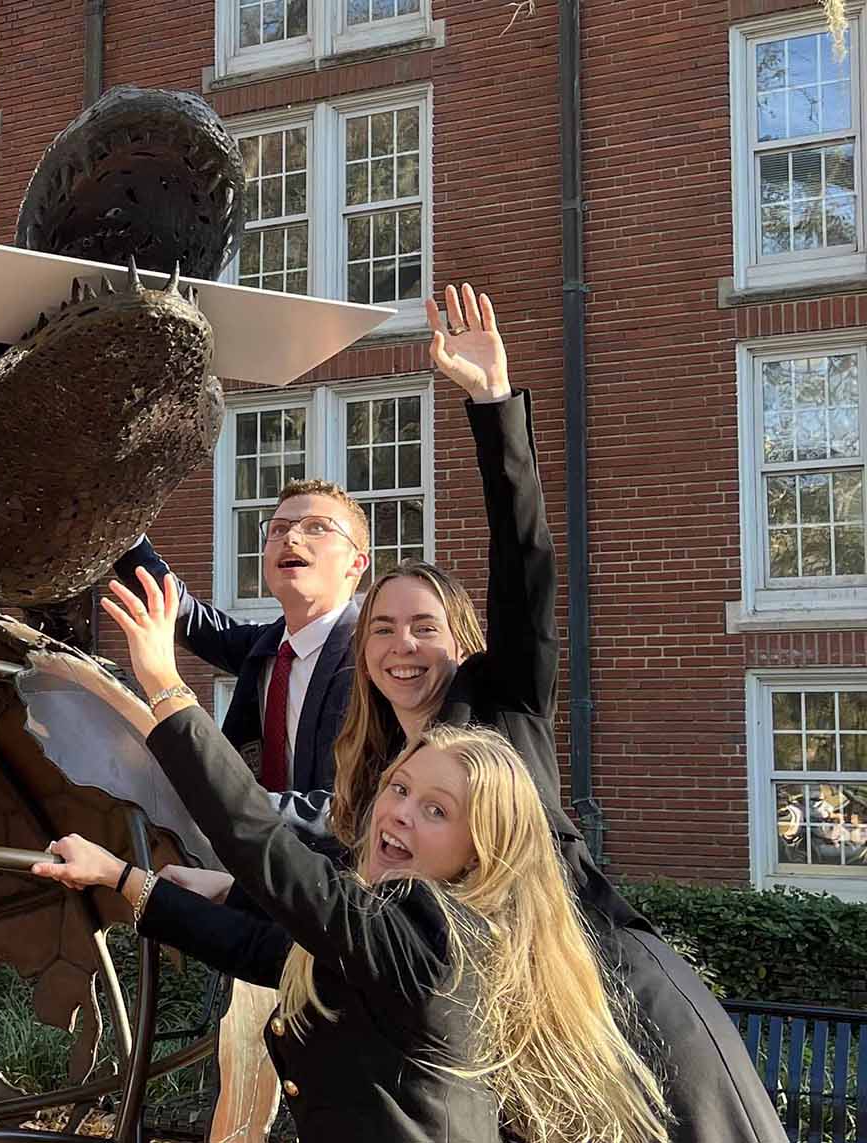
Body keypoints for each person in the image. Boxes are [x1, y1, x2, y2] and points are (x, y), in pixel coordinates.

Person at [176, 283, 786, 1143]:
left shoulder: (502, 702)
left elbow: (524, 569)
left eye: (424, 627)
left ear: (459, 639)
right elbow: (329, 885)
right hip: (513, 1032)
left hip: (616, 998)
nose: (401, 646)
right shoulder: (386, 776)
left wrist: (493, 406)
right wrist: (220, 884)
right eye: (382, 628)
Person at [36, 704, 670, 1143]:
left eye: (436, 810)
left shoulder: (436, 937)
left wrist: (168, 691)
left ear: (483, 848)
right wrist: (125, 879)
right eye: (399, 789)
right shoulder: (411, 932)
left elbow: (264, 845)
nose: (399, 814)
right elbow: (272, 950)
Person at [114, 478, 368, 1142]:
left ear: (357, 562)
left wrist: (235, 809)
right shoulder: (267, 649)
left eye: (315, 528)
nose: (290, 537)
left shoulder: (375, 658)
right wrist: (113, 522)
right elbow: (186, 614)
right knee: (248, 1071)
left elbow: (347, 808)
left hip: (336, 906)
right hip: (261, 887)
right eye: (279, 527)